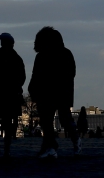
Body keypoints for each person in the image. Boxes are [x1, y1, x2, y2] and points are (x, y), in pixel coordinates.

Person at [28, 26, 80, 159]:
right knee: (55, 120)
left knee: (56, 120)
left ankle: (53, 145)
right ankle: (56, 145)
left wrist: (33, 88)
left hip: (51, 93)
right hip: (58, 92)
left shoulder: (43, 56)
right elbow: (71, 73)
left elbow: (36, 75)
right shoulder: (65, 53)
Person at [0, 32, 26, 159]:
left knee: (2, 121)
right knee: (7, 121)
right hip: (9, 94)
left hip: (3, 94)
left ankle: (1, 147)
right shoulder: (16, 58)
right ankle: (5, 148)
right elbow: (22, 77)